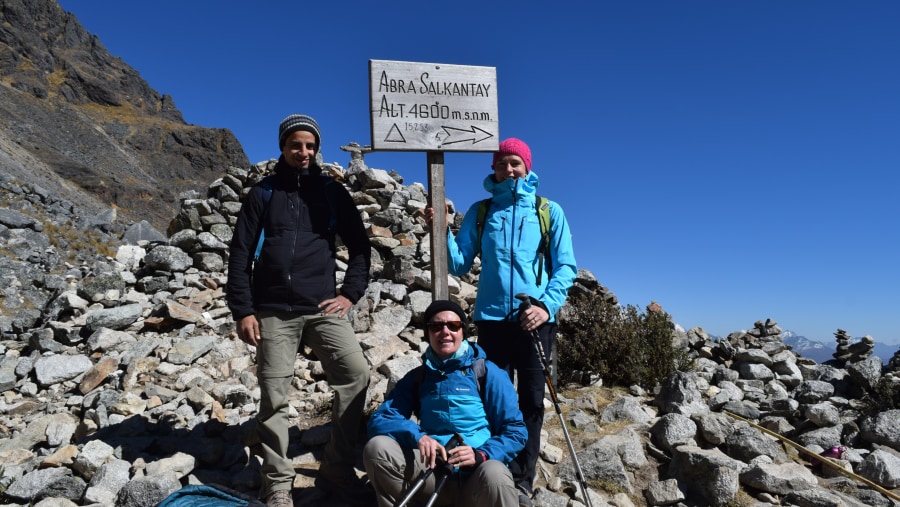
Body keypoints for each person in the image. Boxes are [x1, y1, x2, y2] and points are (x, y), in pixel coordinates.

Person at [227, 114, 372, 507]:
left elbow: (360, 248)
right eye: (296, 145)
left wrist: (349, 295)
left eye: (310, 146)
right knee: (274, 395)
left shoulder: (331, 193)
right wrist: (244, 310)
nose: (303, 152)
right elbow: (240, 253)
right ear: (283, 147)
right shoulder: (264, 193)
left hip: (323, 306)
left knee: (356, 375)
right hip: (272, 309)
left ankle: (336, 470)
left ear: (317, 148)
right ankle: (276, 482)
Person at [426, 138, 577, 506]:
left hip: (534, 321)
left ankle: (523, 478)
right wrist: (442, 229)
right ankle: (494, 469)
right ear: (493, 168)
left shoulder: (548, 211)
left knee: (531, 401)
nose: (509, 170)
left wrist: (545, 306)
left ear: (527, 167)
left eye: (515, 163)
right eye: (502, 163)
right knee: (493, 399)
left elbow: (566, 267)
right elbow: (459, 263)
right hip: (492, 320)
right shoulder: (482, 211)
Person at [365, 300, 527, 507]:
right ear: (428, 333)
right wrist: (419, 437)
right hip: (432, 472)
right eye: (436, 326)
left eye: (454, 326)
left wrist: (481, 454)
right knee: (377, 448)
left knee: (495, 472)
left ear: (463, 332)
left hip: (477, 477)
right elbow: (382, 419)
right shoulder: (418, 377)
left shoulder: (487, 373)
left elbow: (515, 430)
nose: (445, 332)